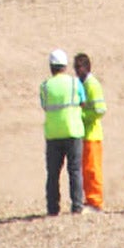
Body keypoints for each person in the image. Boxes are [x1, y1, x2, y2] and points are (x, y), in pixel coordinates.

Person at [39, 49, 85, 216]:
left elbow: (44, 105)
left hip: (53, 134)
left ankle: (53, 209)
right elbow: (83, 101)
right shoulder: (75, 83)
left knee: (53, 174)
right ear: (65, 66)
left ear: (51, 67)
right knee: (75, 171)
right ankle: (77, 206)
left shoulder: (45, 86)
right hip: (73, 131)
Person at [73, 52, 107, 211]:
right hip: (84, 134)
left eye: (79, 67)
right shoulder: (81, 84)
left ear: (87, 67)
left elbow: (100, 110)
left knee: (93, 170)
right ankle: (89, 199)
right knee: (85, 170)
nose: (76, 71)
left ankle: (96, 202)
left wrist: (82, 115)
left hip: (93, 134)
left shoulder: (92, 85)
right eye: (75, 67)